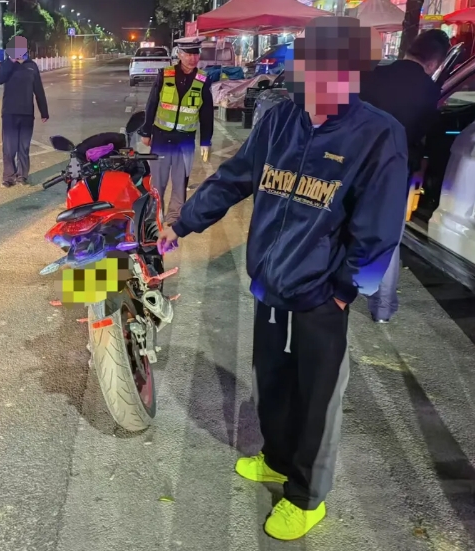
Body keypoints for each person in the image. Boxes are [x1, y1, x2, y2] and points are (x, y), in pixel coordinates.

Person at [158, 17, 408, 540]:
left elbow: (379, 229)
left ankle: (306, 496)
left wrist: (344, 290)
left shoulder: (377, 134)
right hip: (270, 282)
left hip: (322, 295)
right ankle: (275, 457)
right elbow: (234, 179)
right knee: (271, 379)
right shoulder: (279, 120)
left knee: (317, 397)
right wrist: (181, 224)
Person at [360, 29, 450, 323]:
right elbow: (427, 137)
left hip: (358, 166)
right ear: (434, 63)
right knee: (387, 239)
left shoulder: (372, 75)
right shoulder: (429, 91)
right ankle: (382, 308)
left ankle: (336, 292)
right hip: (396, 172)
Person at [139, 36, 214, 226]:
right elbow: (152, 104)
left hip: (185, 140)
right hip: (161, 137)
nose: (192, 58)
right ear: (179, 54)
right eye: (188, 54)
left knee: (180, 183)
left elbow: (206, 113)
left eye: (196, 54)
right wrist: (146, 132)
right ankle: (154, 216)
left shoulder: (203, 79)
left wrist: (206, 141)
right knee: (157, 181)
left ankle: (174, 218)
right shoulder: (165, 74)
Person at [0, 37, 49, 188]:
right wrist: (11, 61)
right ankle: (8, 177)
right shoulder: (6, 64)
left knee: (23, 147)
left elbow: (38, 90)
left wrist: (44, 112)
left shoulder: (32, 66)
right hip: (9, 112)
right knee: (9, 148)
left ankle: (22, 176)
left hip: (26, 113)